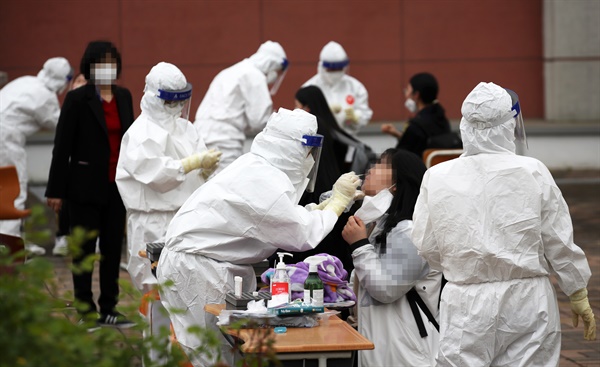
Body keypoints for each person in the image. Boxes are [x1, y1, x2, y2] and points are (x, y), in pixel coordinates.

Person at [157, 108, 361, 366]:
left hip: (201, 264)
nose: (310, 158)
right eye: (308, 151)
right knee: (215, 355)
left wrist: (320, 208)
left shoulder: (258, 168)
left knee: (221, 351)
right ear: (294, 149)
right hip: (199, 270)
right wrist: (338, 203)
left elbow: (276, 218)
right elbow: (301, 234)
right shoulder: (264, 181)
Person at [412, 82, 596, 366]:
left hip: (465, 301)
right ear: (508, 126)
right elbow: (557, 240)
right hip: (527, 300)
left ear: (465, 127)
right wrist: (576, 289)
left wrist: (465, 266)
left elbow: (426, 245)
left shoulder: (437, 176)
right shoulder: (533, 170)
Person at [116, 61, 221, 363]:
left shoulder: (185, 128)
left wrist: (207, 168)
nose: (175, 107)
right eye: (169, 101)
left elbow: (201, 169)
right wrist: (190, 164)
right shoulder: (140, 133)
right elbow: (155, 175)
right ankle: (157, 358)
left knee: (187, 290)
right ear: (153, 96)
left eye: (180, 100)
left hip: (185, 219)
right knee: (157, 295)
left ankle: (187, 356)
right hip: (153, 222)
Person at [46, 41, 135, 328]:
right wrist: (55, 190)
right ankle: (85, 310)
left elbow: (131, 140)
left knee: (112, 249)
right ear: (90, 66)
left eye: (111, 62)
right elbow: (62, 146)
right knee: (84, 251)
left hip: (115, 187)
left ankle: (109, 307)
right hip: (83, 187)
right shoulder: (77, 99)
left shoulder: (124, 97)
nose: (106, 68)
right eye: (100, 63)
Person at [342, 149, 442, 367]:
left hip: (407, 353)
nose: (371, 169)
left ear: (396, 184)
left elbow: (386, 289)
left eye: (381, 164)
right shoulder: (383, 227)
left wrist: (359, 246)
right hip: (386, 348)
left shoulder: (409, 232)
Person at [0, 57, 73, 255]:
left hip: (5, 137)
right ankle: (10, 248)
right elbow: (61, 126)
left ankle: (12, 242)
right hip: (6, 140)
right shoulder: (45, 97)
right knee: (13, 191)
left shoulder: (26, 81)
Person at [194, 40, 288, 176]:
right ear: (272, 64)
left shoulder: (231, 71)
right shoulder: (255, 76)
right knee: (226, 184)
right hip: (225, 141)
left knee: (200, 183)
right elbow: (259, 121)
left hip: (200, 134)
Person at [303, 41, 373, 137]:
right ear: (322, 67)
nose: (335, 73)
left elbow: (365, 115)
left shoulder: (355, 87)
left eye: (339, 69)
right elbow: (301, 117)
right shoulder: (309, 88)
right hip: (319, 141)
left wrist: (356, 117)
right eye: (331, 69)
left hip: (348, 141)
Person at [52, 73, 88, 257]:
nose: (81, 85)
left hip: (87, 169)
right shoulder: (68, 106)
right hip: (68, 167)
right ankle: (63, 236)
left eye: (85, 82)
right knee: (64, 200)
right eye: (78, 81)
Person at [381, 72, 452, 158]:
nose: (406, 95)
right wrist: (398, 134)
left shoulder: (416, 126)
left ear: (416, 95)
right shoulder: (442, 119)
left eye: (407, 90)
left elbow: (399, 157)